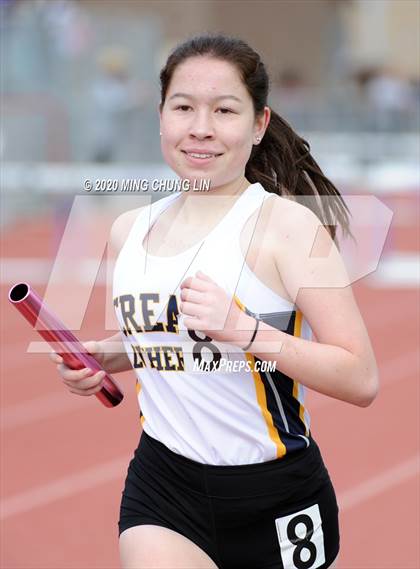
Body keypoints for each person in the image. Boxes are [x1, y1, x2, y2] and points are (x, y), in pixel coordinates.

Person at [50, 34, 379, 569]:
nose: (201, 127)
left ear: (258, 124)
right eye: (183, 108)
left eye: (225, 110)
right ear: (161, 118)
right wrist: (117, 351)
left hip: (275, 495)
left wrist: (246, 330)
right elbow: (177, 338)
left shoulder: (286, 228)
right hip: (163, 486)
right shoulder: (127, 231)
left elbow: (360, 377)